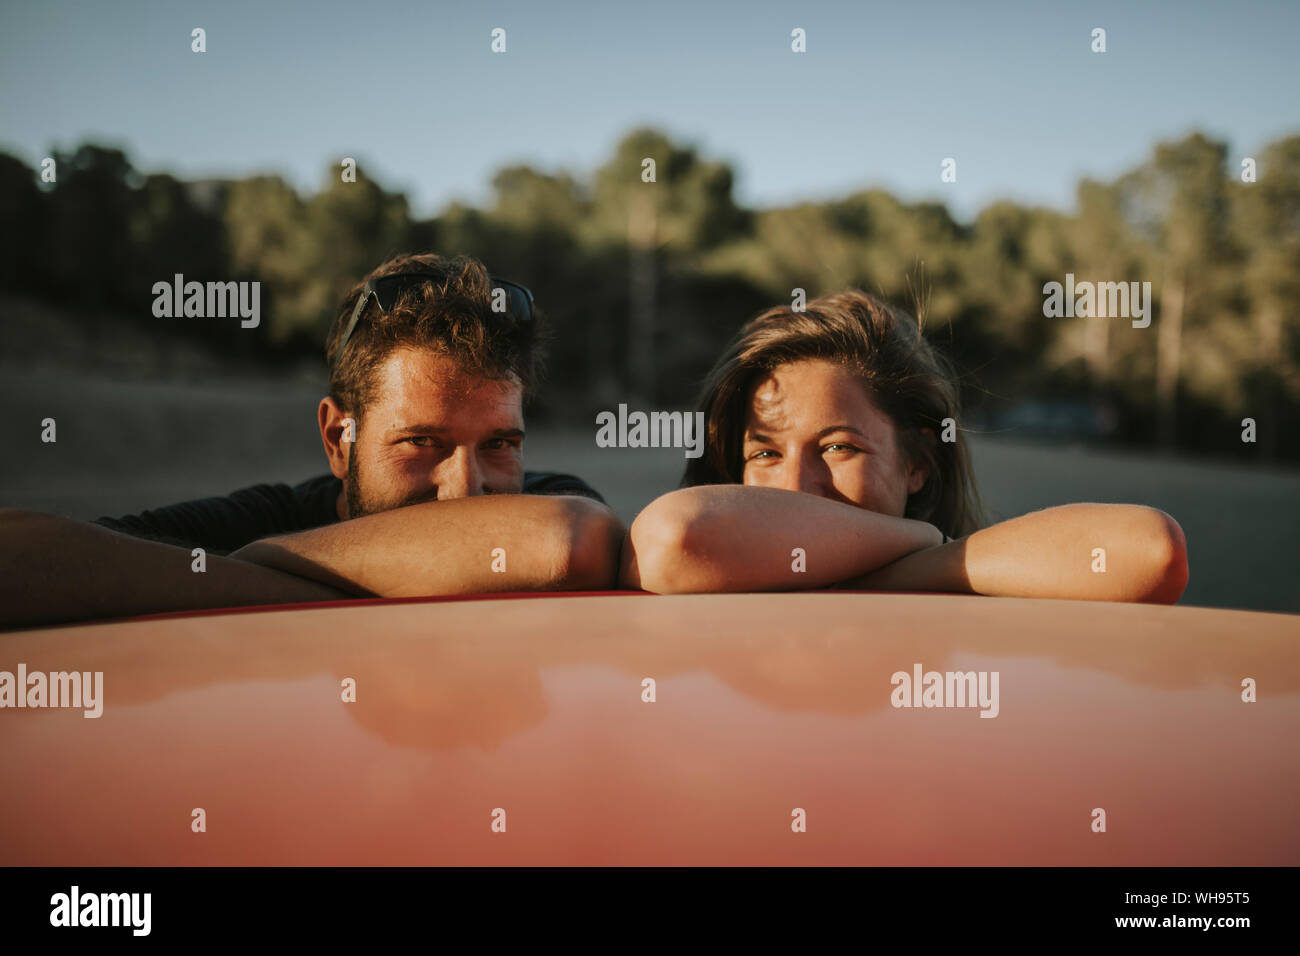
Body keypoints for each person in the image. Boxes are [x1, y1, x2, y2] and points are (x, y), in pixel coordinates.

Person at [1, 253, 624, 628]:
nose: (466, 488)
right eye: (422, 443)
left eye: (498, 444)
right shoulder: (272, 517)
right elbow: (21, 558)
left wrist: (244, 577)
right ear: (337, 437)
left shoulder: (549, 498)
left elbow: (567, 540)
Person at [621, 289, 1188, 603]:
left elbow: (1151, 550)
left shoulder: (964, 576)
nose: (797, 486)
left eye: (839, 448)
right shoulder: (706, 582)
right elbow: (675, 536)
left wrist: (923, 561)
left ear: (917, 463)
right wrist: (912, 544)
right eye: (765, 454)